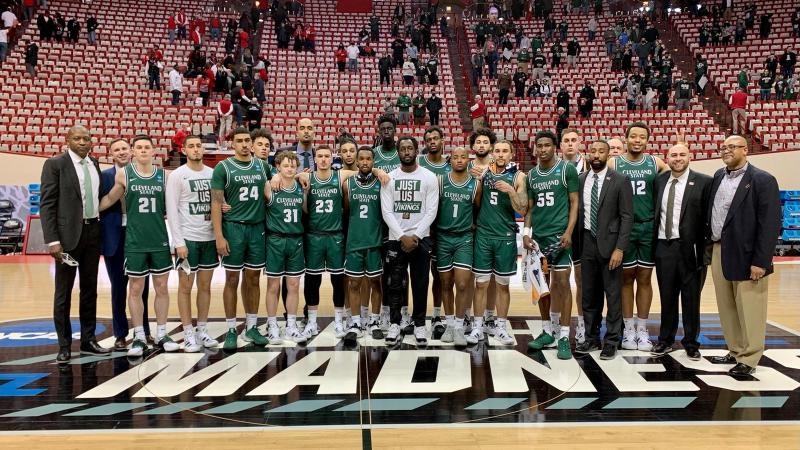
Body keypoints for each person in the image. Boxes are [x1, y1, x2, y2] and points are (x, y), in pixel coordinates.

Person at [99, 135, 178, 357]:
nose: (143, 150)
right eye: (139, 147)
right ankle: (139, 337)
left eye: (147, 147)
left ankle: (162, 333)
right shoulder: (124, 174)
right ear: (134, 151)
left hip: (159, 238)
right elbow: (108, 200)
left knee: (162, 288)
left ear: (154, 151)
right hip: (134, 240)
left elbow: (176, 205)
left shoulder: (164, 176)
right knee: (135, 289)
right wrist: (86, 212)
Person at [709, 135, 780, 376]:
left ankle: (749, 358)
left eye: (732, 147)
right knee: (727, 305)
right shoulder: (719, 175)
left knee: (750, 307)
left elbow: (770, 225)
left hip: (749, 255)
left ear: (745, 150)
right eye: (723, 147)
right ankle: (735, 349)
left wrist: (761, 261)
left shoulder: (763, 180)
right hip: (720, 249)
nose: (726, 150)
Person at [40, 125, 110, 362]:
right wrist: (52, 240)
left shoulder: (95, 163)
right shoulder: (55, 164)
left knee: (90, 289)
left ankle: (88, 340)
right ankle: (64, 345)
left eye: (86, 138)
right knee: (63, 293)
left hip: (92, 233)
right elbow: (47, 204)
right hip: (67, 238)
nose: (82, 142)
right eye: (77, 138)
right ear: (68, 140)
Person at [608, 122, 668, 351]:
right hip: (623, 228)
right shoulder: (615, 163)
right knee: (625, 279)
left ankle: (642, 329)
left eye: (641, 137)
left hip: (647, 227)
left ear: (646, 140)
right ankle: (627, 329)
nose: (637, 140)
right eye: (633, 136)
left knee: (644, 278)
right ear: (626, 139)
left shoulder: (655, 162)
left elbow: (671, 173)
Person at [211, 128, 271, 350]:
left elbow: (283, 178)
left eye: (248, 141)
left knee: (254, 279)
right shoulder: (223, 168)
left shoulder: (263, 166)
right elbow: (216, 203)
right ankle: (230, 329)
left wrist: (302, 175)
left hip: (257, 228)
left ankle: (252, 326)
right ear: (232, 144)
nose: (245, 144)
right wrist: (219, 236)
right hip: (234, 229)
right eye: (240, 141)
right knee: (232, 280)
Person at [651, 143, 712, 360]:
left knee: (691, 298)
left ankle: (691, 342)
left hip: (690, 249)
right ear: (667, 158)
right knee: (667, 297)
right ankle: (665, 340)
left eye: (682, 154)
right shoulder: (658, 181)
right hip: (663, 246)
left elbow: (708, 219)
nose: (677, 158)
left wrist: (705, 251)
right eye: (673, 154)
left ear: (690, 157)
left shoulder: (704, 182)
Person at [574, 139, 633, 360]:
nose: (596, 155)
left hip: (610, 246)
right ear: (588, 154)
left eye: (601, 151)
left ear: (608, 155)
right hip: (587, 242)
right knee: (589, 295)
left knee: (613, 295)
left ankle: (612, 340)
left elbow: (627, 217)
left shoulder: (620, 180)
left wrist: (620, 248)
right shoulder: (580, 180)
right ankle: (591, 338)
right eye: (593, 151)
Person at [524, 130, 580, 360]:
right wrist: (526, 233)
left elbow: (574, 203)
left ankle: (564, 335)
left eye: (547, 145)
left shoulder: (566, 169)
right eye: (540, 145)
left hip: (560, 237)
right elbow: (530, 208)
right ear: (535, 148)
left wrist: (568, 232)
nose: (543, 149)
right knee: (541, 287)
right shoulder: (531, 175)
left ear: (554, 147)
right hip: (539, 239)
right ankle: (547, 331)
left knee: (563, 283)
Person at [381, 136, 439, 346]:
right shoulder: (389, 178)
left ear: (416, 151)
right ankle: (395, 322)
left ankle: (420, 323)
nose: (406, 152)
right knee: (395, 283)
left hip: (420, 239)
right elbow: (387, 212)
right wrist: (401, 236)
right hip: (397, 239)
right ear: (398, 152)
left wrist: (415, 235)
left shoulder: (429, 177)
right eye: (403, 149)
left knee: (420, 282)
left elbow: (431, 211)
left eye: (410, 148)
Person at [468, 140, 527, 345]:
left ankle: (501, 327)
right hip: (484, 235)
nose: (501, 155)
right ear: (493, 153)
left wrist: (511, 191)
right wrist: (477, 182)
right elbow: (474, 201)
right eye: (498, 151)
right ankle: (477, 327)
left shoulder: (519, 177)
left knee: (503, 285)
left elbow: (523, 208)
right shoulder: (483, 174)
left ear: (511, 154)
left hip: (505, 237)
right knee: (481, 284)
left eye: (505, 151)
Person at [165, 135, 219, 352]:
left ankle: (202, 330)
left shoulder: (213, 173)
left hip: (209, 237)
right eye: (192, 146)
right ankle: (188, 332)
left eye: (199, 146)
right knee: (185, 288)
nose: (196, 149)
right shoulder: (178, 175)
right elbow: (172, 211)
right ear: (184, 150)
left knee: (205, 287)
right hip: (187, 238)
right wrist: (178, 242)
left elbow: (217, 203)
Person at [100, 139, 152, 350]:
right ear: (111, 154)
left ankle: (144, 330)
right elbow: (100, 205)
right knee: (118, 287)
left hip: (140, 234)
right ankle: (120, 333)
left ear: (130, 151)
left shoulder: (143, 173)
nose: (121, 152)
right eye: (117, 150)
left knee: (143, 287)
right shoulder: (104, 176)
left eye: (124, 148)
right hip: (115, 235)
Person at [436, 146, 480, 347]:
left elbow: (478, 210)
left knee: (462, 284)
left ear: (468, 160)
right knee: (445, 284)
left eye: (463, 157)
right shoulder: (441, 181)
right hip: (443, 238)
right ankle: (449, 324)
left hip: (464, 239)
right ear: (450, 160)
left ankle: (460, 326)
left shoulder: (475, 185)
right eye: (456, 157)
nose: (460, 160)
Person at [262, 151, 307, 343]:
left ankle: (291, 324)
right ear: (278, 166)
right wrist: (273, 178)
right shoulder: (270, 186)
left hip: (295, 240)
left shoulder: (301, 186)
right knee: (273, 285)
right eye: (286, 165)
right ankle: (272, 324)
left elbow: (305, 210)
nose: (289, 169)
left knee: (294, 285)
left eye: (293, 166)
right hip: (275, 240)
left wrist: (301, 176)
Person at [343, 146, 385, 343]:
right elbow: (345, 211)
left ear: (373, 162)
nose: (366, 162)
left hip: (375, 242)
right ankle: (355, 322)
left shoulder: (381, 183)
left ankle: (375, 321)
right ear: (357, 162)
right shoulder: (348, 184)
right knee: (354, 283)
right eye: (362, 159)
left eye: (369, 159)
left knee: (376, 283)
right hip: (354, 242)